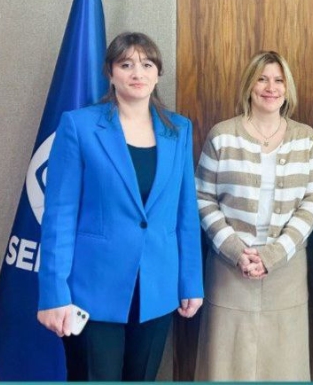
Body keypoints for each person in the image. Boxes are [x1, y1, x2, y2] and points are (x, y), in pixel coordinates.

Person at [37, 32, 204, 381]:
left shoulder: (179, 130)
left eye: (147, 64)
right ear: (110, 73)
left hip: (157, 288)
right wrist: (53, 293)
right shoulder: (80, 125)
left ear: (158, 74)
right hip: (91, 290)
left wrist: (191, 282)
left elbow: (185, 214)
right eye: (126, 64)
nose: (137, 73)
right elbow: (59, 217)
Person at [194, 51, 313, 381]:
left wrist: (273, 255)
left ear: (287, 88)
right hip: (229, 272)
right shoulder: (222, 135)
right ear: (249, 85)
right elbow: (202, 197)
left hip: (286, 274)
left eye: (278, 80)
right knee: (225, 367)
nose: (270, 87)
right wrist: (236, 251)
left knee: (283, 367)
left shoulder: (305, 138)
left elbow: (312, 202)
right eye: (262, 79)